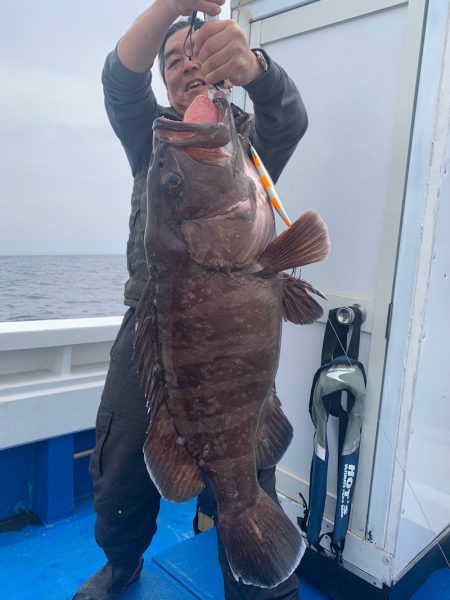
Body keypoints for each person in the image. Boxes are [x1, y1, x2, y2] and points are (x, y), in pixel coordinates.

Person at [73, 1, 308, 599]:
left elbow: (289, 119)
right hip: (148, 329)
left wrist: (256, 67)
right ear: (163, 81)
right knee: (122, 463)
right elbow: (118, 82)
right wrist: (175, 6)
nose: (187, 65)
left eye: (197, 53)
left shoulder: (247, 149)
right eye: (172, 61)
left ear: (221, 64)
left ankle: (259, 583)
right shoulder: (154, 140)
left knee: (244, 460)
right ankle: (121, 563)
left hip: (231, 335)